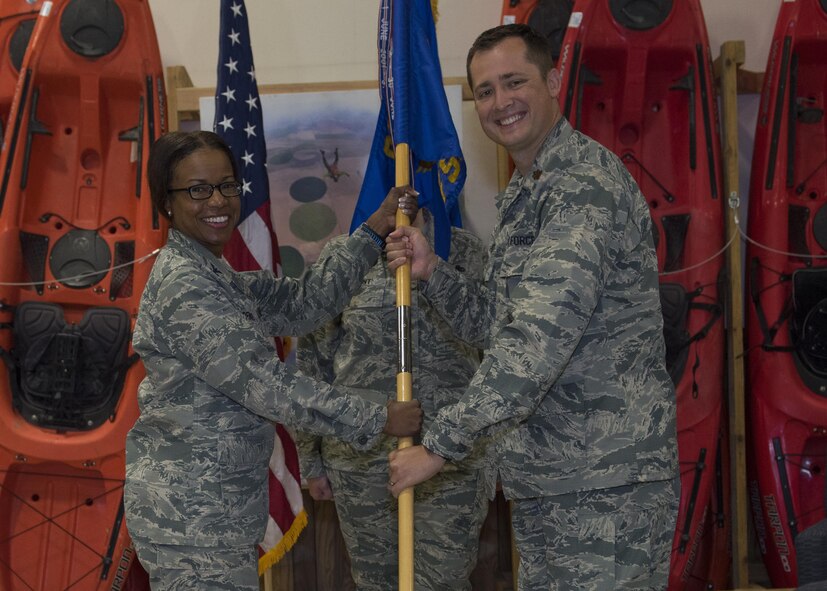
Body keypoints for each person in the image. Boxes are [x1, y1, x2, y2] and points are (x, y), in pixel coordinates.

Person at [386, 24, 679, 590]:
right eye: (486, 91)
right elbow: (499, 327)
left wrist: (439, 447)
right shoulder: (527, 191)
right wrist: (433, 272)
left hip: (604, 482)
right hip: (552, 481)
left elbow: (537, 341)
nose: (501, 102)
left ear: (553, 80)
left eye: (514, 81)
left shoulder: (581, 186)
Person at [124, 130, 422, 591]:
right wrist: (379, 418)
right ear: (167, 202)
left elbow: (305, 303)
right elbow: (267, 386)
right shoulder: (186, 285)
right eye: (197, 190)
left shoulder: (217, 277)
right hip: (191, 522)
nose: (217, 201)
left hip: (213, 517)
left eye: (226, 185)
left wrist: (373, 230)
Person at [295, 208, 492, 591]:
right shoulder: (345, 256)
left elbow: (497, 348)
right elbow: (314, 362)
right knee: (375, 582)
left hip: (452, 458)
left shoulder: (465, 251)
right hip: (362, 457)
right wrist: (310, 458)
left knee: (444, 582)